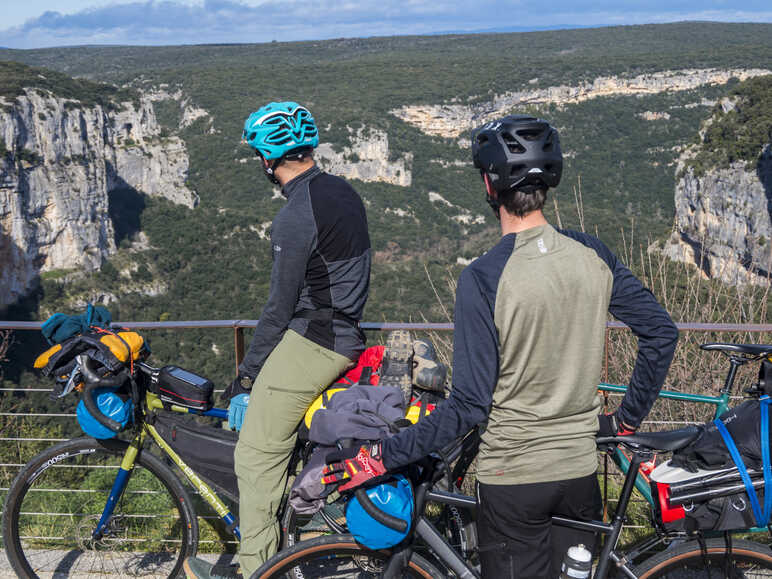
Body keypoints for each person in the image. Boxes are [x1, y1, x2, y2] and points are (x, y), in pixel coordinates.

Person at [322, 114, 679, 578]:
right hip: (580, 471)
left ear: (491, 187)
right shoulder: (594, 254)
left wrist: (379, 458)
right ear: (549, 183)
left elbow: (468, 406)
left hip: (513, 478)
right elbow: (661, 332)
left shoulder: (484, 277)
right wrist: (626, 420)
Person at [184, 101, 371, 579]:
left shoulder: (294, 215)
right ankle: (288, 554)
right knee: (279, 448)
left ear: (267, 159)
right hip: (345, 332)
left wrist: (245, 377)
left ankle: (257, 571)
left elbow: (279, 307)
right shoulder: (342, 191)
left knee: (254, 458)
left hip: (315, 340)